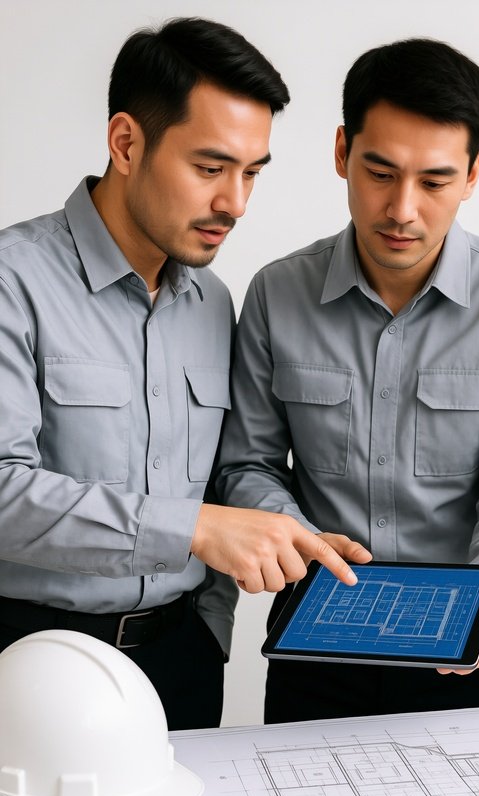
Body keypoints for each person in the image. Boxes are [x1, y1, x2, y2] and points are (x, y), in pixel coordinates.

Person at [0, 17, 367, 731]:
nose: (236, 203)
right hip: (31, 666)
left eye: (252, 172)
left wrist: (286, 541)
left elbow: (227, 477)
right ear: (126, 143)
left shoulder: (213, 303)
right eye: (210, 168)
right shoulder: (13, 282)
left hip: (182, 665)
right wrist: (192, 528)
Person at [215, 37, 479, 723]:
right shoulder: (277, 294)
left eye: (435, 182)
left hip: (464, 641)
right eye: (380, 173)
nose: (402, 209)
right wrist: (303, 542)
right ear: (342, 152)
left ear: (473, 174)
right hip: (316, 634)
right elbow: (247, 464)